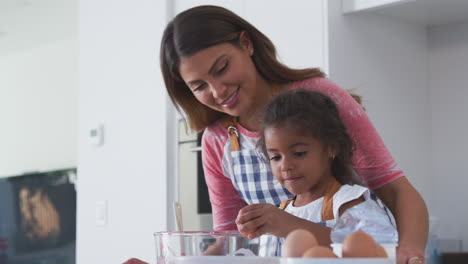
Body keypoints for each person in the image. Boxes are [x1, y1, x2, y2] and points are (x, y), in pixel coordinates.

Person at [124, 4, 428, 264]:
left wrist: (410, 251)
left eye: (222, 67)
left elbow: (394, 188)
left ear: (247, 44)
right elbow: (232, 240)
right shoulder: (217, 140)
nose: (217, 91)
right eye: (199, 86)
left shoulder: (320, 97)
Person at [235, 89, 397, 248]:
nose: (285, 166)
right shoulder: (282, 213)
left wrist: (292, 226)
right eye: (276, 157)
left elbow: (380, 250)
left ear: (331, 148)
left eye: (299, 153)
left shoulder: (348, 203)